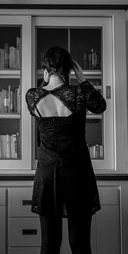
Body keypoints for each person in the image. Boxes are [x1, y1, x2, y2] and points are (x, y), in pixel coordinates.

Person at [25, 46, 106, 254]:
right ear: (70, 69)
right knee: (80, 245)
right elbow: (99, 106)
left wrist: (46, 81)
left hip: (47, 176)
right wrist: (83, 80)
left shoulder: (33, 96)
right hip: (77, 176)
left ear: (46, 69)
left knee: (49, 246)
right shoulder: (79, 94)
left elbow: (46, 91)